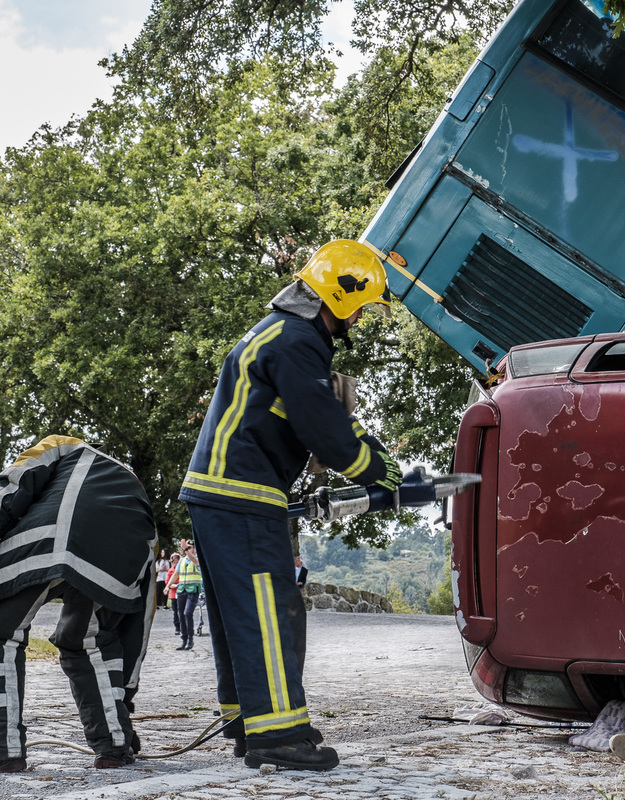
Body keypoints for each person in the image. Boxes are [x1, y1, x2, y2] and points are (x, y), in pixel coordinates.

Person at [179, 240, 402, 772]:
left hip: (221, 491)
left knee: (240, 614)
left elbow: (319, 415)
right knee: (269, 610)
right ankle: (278, 736)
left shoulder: (281, 334)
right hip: (242, 492)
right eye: (363, 307)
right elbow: (324, 430)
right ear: (341, 298)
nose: (361, 319)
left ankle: (251, 722)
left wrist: (363, 449)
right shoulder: (298, 341)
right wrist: (377, 469)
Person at [0, 435, 156, 771]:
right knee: (88, 640)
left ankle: (4, 750)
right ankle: (113, 744)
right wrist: (125, 705)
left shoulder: (63, 444)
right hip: (115, 562)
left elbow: (15, 484)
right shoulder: (136, 491)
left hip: (45, 541)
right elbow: (140, 619)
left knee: (3, 633)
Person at [166, 541, 203, 650]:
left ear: (194, 549)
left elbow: (195, 561)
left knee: (187, 613)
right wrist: (167, 586)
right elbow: (175, 574)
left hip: (193, 590)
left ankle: (190, 639)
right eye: (186, 547)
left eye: (189, 547)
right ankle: (184, 640)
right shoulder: (182, 560)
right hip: (182, 590)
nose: (186, 549)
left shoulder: (198, 558)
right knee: (181, 615)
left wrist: (186, 549)